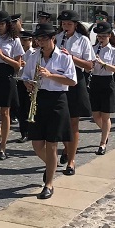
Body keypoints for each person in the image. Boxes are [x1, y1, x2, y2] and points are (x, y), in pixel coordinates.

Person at [21, 22, 74, 199]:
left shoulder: (64, 57)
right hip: (38, 98)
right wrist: (27, 83)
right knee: (37, 144)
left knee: (52, 144)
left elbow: (72, 81)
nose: (40, 42)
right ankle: (52, 165)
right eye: (38, 39)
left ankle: (49, 184)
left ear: (52, 39)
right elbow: (25, 76)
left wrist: (50, 76)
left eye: (43, 38)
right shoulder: (34, 56)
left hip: (57, 100)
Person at [55, 10, 93, 175]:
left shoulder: (83, 40)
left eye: (69, 24)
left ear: (76, 25)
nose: (66, 27)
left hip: (76, 79)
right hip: (59, 78)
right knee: (61, 121)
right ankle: (66, 148)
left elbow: (89, 65)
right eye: (64, 24)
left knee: (73, 122)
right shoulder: (57, 38)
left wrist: (71, 57)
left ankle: (71, 161)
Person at [0, 10, 24, 160]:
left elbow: (18, 65)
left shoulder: (14, 40)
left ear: (8, 25)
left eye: (1, 24)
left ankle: (3, 147)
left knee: (4, 113)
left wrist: (3, 56)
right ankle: (0, 135)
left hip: (6, 74)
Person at [88, 22, 115, 154]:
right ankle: (106, 133)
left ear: (109, 36)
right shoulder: (93, 48)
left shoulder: (114, 51)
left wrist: (103, 64)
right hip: (95, 81)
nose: (100, 39)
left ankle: (102, 143)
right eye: (99, 36)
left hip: (107, 81)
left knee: (105, 115)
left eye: (103, 36)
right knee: (95, 115)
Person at [16, 31, 36, 142]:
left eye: (25, 40)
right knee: (21, 109)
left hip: (29, 83)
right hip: (19, 82)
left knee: (29, 107)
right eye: (21, 40)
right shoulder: (19, 53)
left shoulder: (34, 53)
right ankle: (23, 132)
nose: (23, 42)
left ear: (30, 40)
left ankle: (30, 131)